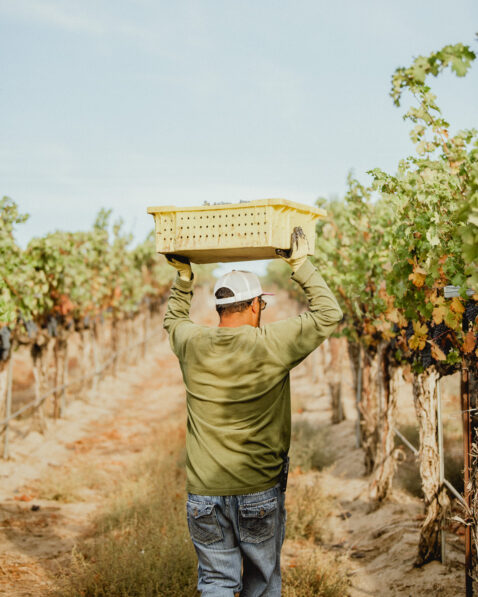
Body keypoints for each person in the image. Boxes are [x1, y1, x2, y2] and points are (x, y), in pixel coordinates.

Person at [163, 227, 343, 597]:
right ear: (256, 304)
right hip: (258, 490)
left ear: (220, 308)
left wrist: (183, 279)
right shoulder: (272, 344)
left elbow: (173, 322)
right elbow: (329, 313)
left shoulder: (190, 342)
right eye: (263, 303)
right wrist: (299, 262)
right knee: (261, 585)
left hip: (204, 495)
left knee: (215, 582)